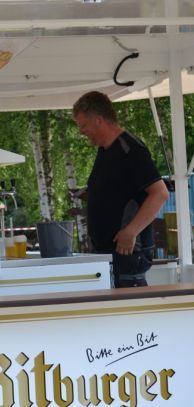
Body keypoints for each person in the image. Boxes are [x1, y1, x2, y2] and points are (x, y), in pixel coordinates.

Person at [72, 91, 169, 288]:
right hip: (108, 256)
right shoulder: (105, 150)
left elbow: (160, 193)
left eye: (83, 125)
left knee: (131, 308)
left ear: (99, 120)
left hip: (128, 255)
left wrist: (131, 232)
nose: (81, 131)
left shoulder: (131, 149)